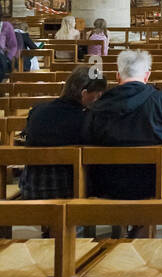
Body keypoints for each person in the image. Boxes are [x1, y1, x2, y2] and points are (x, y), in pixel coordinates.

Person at [83, 48, 162, 198]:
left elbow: (87, 139)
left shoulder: (98, 106)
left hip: (108, 184)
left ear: (118, 76)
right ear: (147, 76)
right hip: (158, 183)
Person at [19, 61, 106, 198]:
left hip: (31, 188)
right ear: (84, 94)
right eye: (98, 95)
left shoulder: (37, 110)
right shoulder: (85, 119)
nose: (98, 100)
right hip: (67, 190)